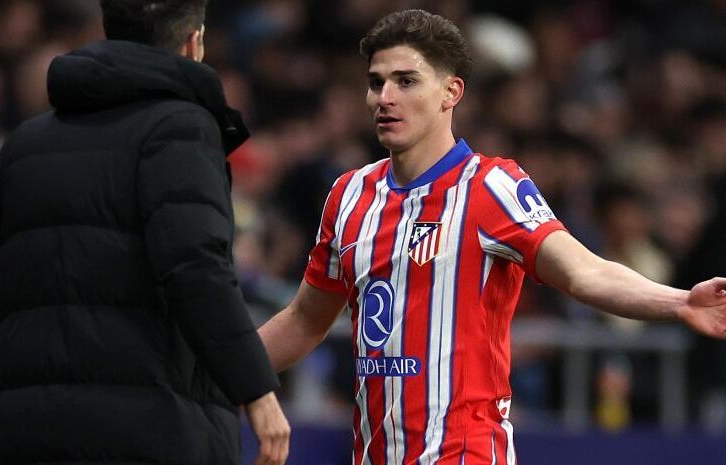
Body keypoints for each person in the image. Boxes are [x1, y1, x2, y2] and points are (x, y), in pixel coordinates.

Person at [258, 9, 726, 465]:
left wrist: (680, 301)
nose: (385, 97)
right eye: (376, 82)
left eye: (406, 81)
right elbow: (304, 320)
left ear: (451, 92)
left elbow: (584, 272)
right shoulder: (350, 195)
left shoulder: (491, 187)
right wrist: (227, 371)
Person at [0, 1, 290, 464]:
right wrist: (256, 390)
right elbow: (194, 267)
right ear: (194, 42)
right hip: (147, 433)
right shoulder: (181, 127)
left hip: (24, 435)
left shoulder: (25, 143)